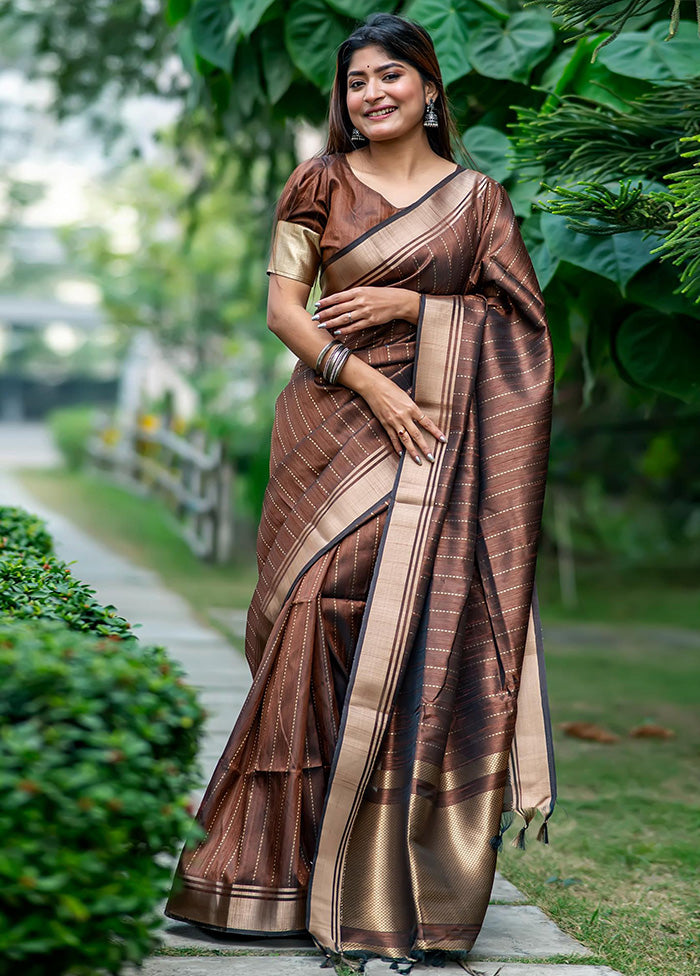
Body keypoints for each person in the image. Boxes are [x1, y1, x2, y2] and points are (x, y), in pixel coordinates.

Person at [165, 12, 557, 967]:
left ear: (431, 88)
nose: (372, 94)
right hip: (334, 422)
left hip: (434, 437)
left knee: (404, 624)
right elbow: (281, 310)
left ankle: (379, 879)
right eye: (355, 83)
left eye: (392, 76)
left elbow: (523, 335)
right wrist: (370, 375)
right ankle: (264, 874)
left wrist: (416, 308)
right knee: (309, 610)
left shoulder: (479, 203)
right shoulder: (321, 181)